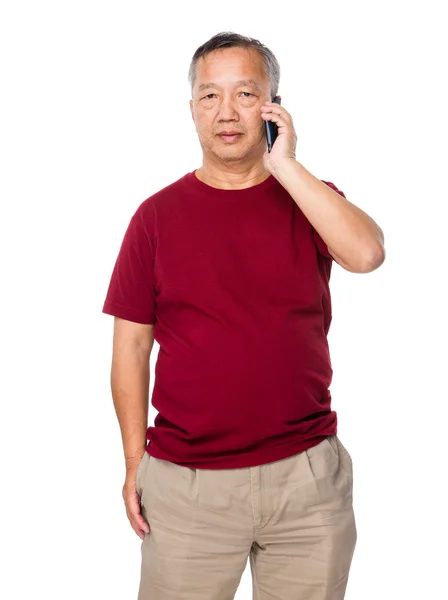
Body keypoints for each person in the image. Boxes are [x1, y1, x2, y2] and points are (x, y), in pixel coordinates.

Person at [102, 31, 385, 600]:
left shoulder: (309, 198)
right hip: (188, 487)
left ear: (273, 106)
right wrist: (135, 464)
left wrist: (289, 165)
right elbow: (131, 350)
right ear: (192, 110)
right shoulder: (155, 218)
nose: (227, 112)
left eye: (246, 94)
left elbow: (367, 254)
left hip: (307, 482)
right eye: (210, 96)